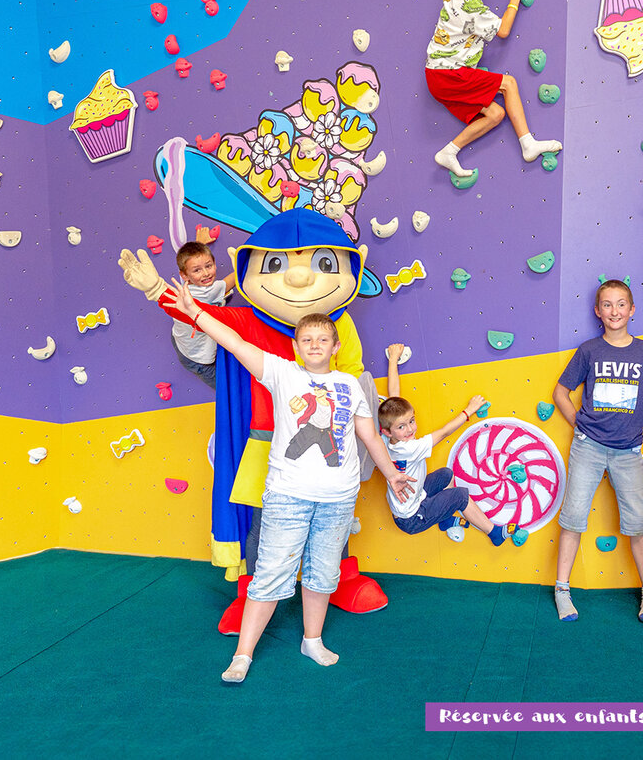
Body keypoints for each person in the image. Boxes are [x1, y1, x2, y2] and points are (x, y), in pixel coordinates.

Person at [169, 283, 406, 685]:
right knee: (270, 575)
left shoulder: (349, 385)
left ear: (335, 347)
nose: (315, 345)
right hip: (288, 496)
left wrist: (393, 473)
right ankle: (242, 654)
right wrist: (196, 313)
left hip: (337, 499)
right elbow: (235, 341)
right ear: (296, 347)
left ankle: (311, 640)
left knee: (323, 575)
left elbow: (369, 436)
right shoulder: (281, 372)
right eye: (307, 339)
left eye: (323, 339)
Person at [552, 279, 643, 623]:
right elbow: (561, 392)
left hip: (628, 451)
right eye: (607, 305)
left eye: (621, 304)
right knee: (572, 517)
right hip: (588, 448)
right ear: (598, 312)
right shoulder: (588, 350)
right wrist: (580, 423)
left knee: (639, 523)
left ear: (632, 309)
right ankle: (562, 589)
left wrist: (626, 418)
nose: (615, 311)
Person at [426, 0, 562, 178]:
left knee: (496, 113)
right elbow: (503, 31)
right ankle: (528, 143)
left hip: (438, 75)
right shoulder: (470, 6)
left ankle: (449, 151)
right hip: (448, 74)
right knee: (508, 83)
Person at [378, 342, 511, 545]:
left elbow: (394, 398)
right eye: (402, 427)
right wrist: (469, 410)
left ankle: (446, 518)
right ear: (388, 431)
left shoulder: (386, 439)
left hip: (415, 497)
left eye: (411, 421)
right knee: (460, 496)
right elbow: (444, 432)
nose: (410, 429)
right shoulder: (411, 448)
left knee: (446, 475)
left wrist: (393, 360)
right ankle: (494, 533)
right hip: (412, 518)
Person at [169, 241, 235, 389]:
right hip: (198, 359)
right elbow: (233, 279)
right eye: (197, 270)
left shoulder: (188, 285)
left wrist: (200, 244)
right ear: (184, 275)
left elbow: (193, 265)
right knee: (226, 390)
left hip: (181, 340)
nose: (205, 273)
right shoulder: (208, 291)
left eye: (208, 266)